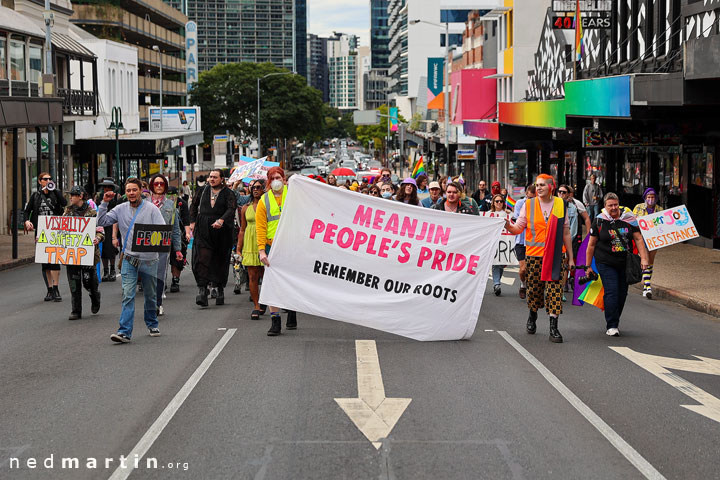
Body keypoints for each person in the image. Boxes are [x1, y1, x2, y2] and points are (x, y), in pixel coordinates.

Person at [505, 174, 574, 343]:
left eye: (542, 185)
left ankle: (554, 327)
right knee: (534, 290)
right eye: (537, 185)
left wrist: (571, 258)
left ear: (551, 187)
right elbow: (518, 228)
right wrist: (506, 225)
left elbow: (566, 232)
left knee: (555, 291)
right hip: (534, 255)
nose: (539, 188)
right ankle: (532, 315)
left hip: (556, 255)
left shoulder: (560, 203)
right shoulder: (528, 205)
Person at [98, 178, 167, 343]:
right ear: (125, 193)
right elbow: (101, 222)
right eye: (128, 190)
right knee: (128, 295)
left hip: (149, 259)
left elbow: (162, 231)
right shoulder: (119, 209)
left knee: (150, 295)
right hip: (129, 258)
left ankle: (152, 323)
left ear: (140, 191)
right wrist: (104, 204)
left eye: (134, 190)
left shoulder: (152, 209)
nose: (131, 193)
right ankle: (124, 332)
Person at [585, 193, 649, 336]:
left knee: (622, 294)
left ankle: (615, 319)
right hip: (605, 262)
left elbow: (638, 239)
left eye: (616, 205)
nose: (614, 208)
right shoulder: (599, 221)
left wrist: (644, 259)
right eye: (610, 205)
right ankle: (612, 325)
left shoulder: (629, 218)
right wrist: (588, 266)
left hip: (624, 263)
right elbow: (591, 245)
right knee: (612, 292)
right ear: (605, 207)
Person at [256, 166, 298, 335]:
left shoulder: (294, 195)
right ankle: (275, 321)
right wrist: (261, 251)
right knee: (273, 284)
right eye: (272, 178)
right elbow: (260, 227)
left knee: (291, 281)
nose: (276, 181)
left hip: (292, 245)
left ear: (284, 179)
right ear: (268, 181)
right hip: (271, 246)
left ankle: (292, 312)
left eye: (278, 177)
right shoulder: (264, 201)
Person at [190, 169, 236, 307]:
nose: (212, 179)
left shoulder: (228, 193)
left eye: (215, 177)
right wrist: (192, 222)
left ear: (222, 179)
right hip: (203, 228)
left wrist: (221, 220)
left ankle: (219, 288)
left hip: (222, 230)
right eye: (210, 177)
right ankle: (202, 290)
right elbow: (193, 206)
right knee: (202, 258)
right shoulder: (202, 190)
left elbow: (231, 209)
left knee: (220, 259)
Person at [23, 171, 67, 302]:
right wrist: (27, 221)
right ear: (40, 181)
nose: (48, 181)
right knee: (45, 261)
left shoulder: (55, 194)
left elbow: (64, 203)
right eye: (45, 179)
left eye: (50, 179)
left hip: (54, 231)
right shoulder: (36, 196)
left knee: (55, 259)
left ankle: (56, 287)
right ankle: (49, 289)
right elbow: (27, 211)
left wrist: (56, 191)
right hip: (41, 232)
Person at [63, 186, 103, 320]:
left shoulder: (92, 212)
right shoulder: (67, 212)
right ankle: (76, 310)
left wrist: (98, 238)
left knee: (88, 281)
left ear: (80, 196)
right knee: (74, 282)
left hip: (88, 254)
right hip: (72, 253)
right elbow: (59, 229)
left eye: (73, 195)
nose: (70, 197)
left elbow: (100, 229)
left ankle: (95, 296)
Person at [148, 174, 183, 316]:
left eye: (161, 184)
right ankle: (150, 302)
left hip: (163, 244)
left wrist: (178, 249)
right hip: (146, 243)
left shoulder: (171, 204)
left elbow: (175, 229)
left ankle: (157, 304)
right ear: (151, 186)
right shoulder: (144, 202)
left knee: (160, 274)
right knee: (147, 275)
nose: (158, 186)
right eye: (156, 184)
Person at [237, 179, 266, 320]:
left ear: (264, 189)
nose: (255, 189)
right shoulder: (245, 208)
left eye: (259, 187)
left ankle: (266, 299)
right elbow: (242, 229)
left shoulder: (268, 205)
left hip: (264, 242)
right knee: (252, 276)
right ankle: (256, 306)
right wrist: (238, 248)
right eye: (253, 187)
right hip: (250, 243)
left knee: (265, 275)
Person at [558, 184, 590, 300]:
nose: (561, 194)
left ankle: (561, 289)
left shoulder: (574, 207)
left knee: (565, 264)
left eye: (564, 192)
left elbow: (575, 227)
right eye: (559, 192)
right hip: (554, 241)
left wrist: (589, 236)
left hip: (567, 241)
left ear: (568, 195)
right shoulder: (551, 205)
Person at [632, 188, 661, 299]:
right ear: (645, 198)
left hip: (655, 238)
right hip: (642, 237)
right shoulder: (638, 208)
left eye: (652, 197)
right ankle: (648, 287)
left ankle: (645, 285)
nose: (650, 199)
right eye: (648, 197)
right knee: (645, 259)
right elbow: (632, 221)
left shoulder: (660, 209)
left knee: (650, 261)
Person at [513, 184, 536, 299]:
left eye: (534, 198)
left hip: (535, 242)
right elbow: (518, 220)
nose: (532, 200)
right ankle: (523, 284)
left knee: (533, 269)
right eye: (530, 198)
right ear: (526, 194)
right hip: (521, 241)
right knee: (523, 269)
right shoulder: (520, 204)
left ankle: (532, 288)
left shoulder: (540, 205)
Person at [489, 193, 510, 296]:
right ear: (493, 202)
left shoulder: (507, 214)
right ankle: (497, 284)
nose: (498, 203)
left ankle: (497, 282)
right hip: (493, 242)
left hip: (504, 242)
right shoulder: (488, 214)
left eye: (501, 201)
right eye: (496, 201)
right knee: (495, 263)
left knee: (501, 264)